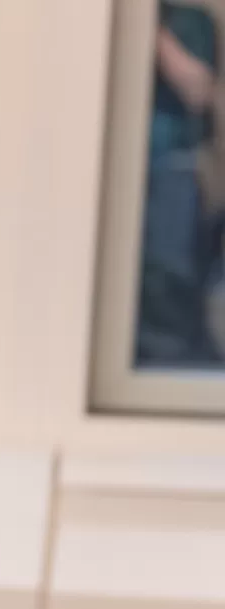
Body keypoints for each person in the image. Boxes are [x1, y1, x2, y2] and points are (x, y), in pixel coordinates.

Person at [138, 1, 220, 364]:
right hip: (125, 176)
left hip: (172, 172)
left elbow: (198, 92)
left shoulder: (191, 20)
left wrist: (151, 31)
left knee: (170, 286)